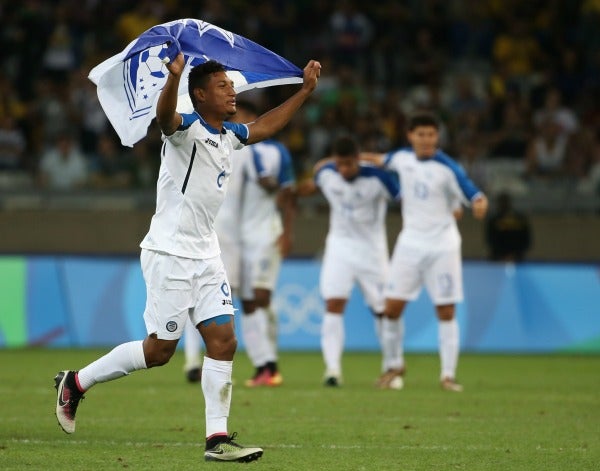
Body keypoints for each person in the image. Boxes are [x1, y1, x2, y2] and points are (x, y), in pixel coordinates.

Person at [54, 53, 321, 463]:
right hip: (170, 252)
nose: (232, 91)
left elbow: (264, 125)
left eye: (231, 85)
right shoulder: (186, 128)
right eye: (223, 86)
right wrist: (171, 81)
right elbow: (164, 120)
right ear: (199, 94)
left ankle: (216, 439)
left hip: (206, 253)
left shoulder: (227, 133)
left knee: (224, 340)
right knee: (160, 351)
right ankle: (77, 381)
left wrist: (302, 91)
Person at [364, 111, 488, 392]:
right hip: (409, 245)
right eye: (421, 134)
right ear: (411, 136)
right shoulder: (402, 158)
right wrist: (346, 160)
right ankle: (395, 365)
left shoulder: (448, 167)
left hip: (442, 248)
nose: (426, 140)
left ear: (437, 137)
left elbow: (471, 190)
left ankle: (447, 375)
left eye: (431, 135)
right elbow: (380, 160)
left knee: (445, 310)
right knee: (391, 308)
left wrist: (479, 201)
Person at [183, 100, 297, 388]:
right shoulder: (228, 145)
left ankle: (252, 364)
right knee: (222, 298)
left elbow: (270, 183)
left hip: (227, 234)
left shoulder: (223, 144)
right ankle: (206, 362)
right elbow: (268, 181)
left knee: (223, 298)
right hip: (221, 232)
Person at [298, 135, 400, 387]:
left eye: (349, 164)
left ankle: (391, 368)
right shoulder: (327, 174)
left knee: (382, 311)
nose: (344, 170)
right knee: (333, 304)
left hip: (372, 252)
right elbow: (316, 176)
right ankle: (332, 370)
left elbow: (404, 200)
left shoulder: (379, 178)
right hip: (339, 249)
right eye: (340, 164)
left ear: (358, 159)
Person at [485, 192, 531, 262]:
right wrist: (503, 254)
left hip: (518, 257)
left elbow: (526, 239)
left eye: (505, 202)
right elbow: (490, 240)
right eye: (501, 202)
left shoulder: (520, 219)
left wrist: (514, 254)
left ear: (509, 203)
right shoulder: (493, 220)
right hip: (498, 257)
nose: (503, 204)